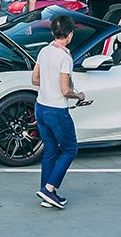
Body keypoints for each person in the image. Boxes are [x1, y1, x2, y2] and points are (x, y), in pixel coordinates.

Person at [31, 14, 85, 208]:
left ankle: (47, 191)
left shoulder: (44, 51)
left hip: (41, 107)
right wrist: (79, 95)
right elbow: (65, 90)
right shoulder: (65, 57)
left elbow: (35, 79)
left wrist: (48, 83)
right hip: (57, 110)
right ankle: (49, 189)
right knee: (70, 150)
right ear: (69, 35)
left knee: (50, 150)